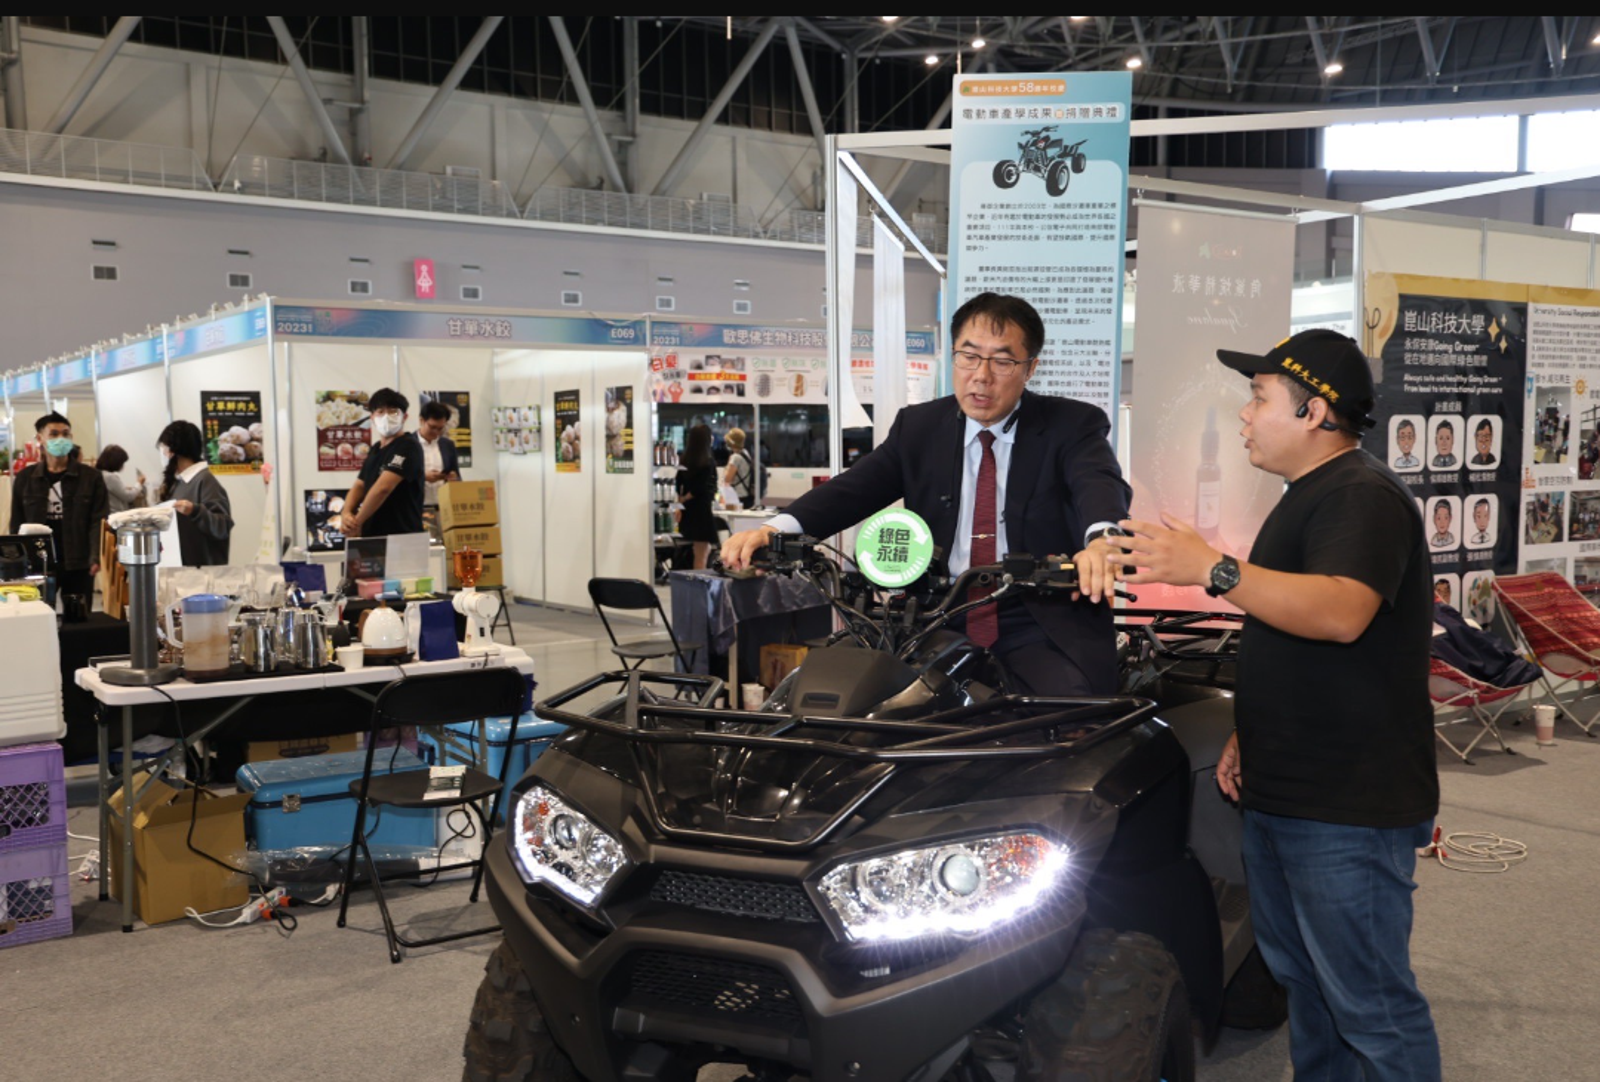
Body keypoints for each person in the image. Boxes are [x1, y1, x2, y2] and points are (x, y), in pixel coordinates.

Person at [1105, 328, 1441, 1082]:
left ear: (1314, 411)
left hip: (1346, 805)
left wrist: (1214, 570)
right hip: (1291, 789)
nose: (1245, 414)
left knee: (1371, 1006)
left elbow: (1341, 612)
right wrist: (1248, 731)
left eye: (1259, 398)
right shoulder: (1311, 496)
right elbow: (1294, 633)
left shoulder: (1361, 495)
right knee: (1309, 990)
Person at [721, 292, 1131, 696]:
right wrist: (774, 530)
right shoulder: (919, 427)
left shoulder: (1070, 424)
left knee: (1063, 717)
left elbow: (1097, 482)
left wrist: (1102, 541)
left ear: (1030, 368)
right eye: (969, 356)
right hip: (936, 616)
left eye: (1002, 361)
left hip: (1038, 618)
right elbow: (853, 488)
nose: (981, 375)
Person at [8, 412, 108, 601]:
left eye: (66, 434)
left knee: (78, 614)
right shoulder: (26, 478)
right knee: (39, 612)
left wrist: (95, 556)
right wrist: (17, 560)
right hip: (39, 562)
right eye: (54, 434)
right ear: (40, 439)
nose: (61, 438)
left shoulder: (90, 477)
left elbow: (99, 520)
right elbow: (17, 523)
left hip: (79, 561)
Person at [340, 387, 424, 538]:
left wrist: (356, 523)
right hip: (374, 534)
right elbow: (359, 485)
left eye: (393, 412)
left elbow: (383, 488)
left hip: (402, 535)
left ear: (404, 417)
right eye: (380, 411)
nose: (386, 416)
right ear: (372, 418)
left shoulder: (408, 446)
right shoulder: (375, 449)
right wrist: (346, 513)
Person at [157, 420, 233, 567]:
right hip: (181, 570)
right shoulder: (179, 482)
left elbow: (222, 527)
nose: (163, 454)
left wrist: (195, 510)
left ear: (175, 451)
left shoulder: (205, 480)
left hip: (201, 574)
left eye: (164, 449)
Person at [676, 423, 719, 569]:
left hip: (687, 511)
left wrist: (681, 501)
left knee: (697, 552)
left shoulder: (684, 460)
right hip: (702, 511)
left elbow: (678, 483)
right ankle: (699, 581)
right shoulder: (708, 462)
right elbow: (702, 488)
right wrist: (687, 497)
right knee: (702, 554)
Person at [417, 398, 462, 511]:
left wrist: (453, 478)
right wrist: (423, 477)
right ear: (422, 420)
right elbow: (399, 478)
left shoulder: (448, 445)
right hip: (416, 508)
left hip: (443, 507)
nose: (436, 432)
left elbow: (457, 475)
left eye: (440, 428)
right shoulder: (407, 444)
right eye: (432, 427)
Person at [95, 444, 147, 514]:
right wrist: (139, 483)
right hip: (115, 515)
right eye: (122, 463)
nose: (123, 465)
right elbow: (128, 496)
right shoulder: (110, 477)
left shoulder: (100, 474)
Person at [722, 427, 756, 509]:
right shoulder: (746, 453)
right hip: (747, 495)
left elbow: (727, 479)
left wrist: (727, 466)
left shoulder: (735, 457)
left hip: (737, 497)